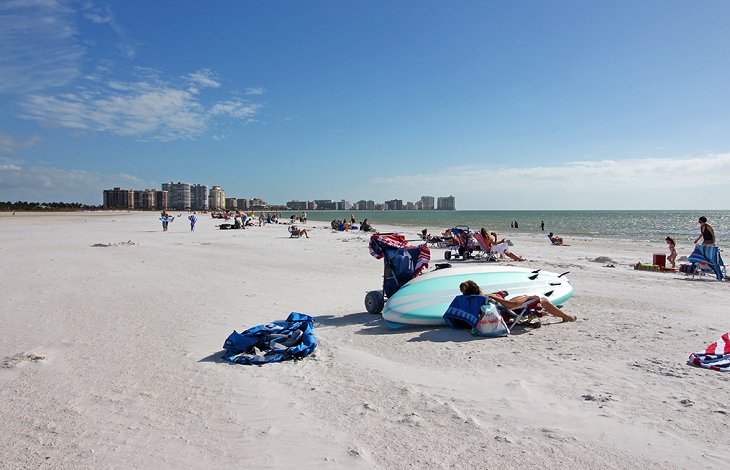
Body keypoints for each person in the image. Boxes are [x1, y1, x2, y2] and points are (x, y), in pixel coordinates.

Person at [459, 280, 575, 322]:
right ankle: (566, 316)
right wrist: (526, 299)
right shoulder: (488, 297)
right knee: (541, 300)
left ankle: (537, 311)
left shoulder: (475, 298)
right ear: (478, 288)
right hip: (510, 311)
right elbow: (512, 305)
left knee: (525, 296)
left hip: (503, 310)